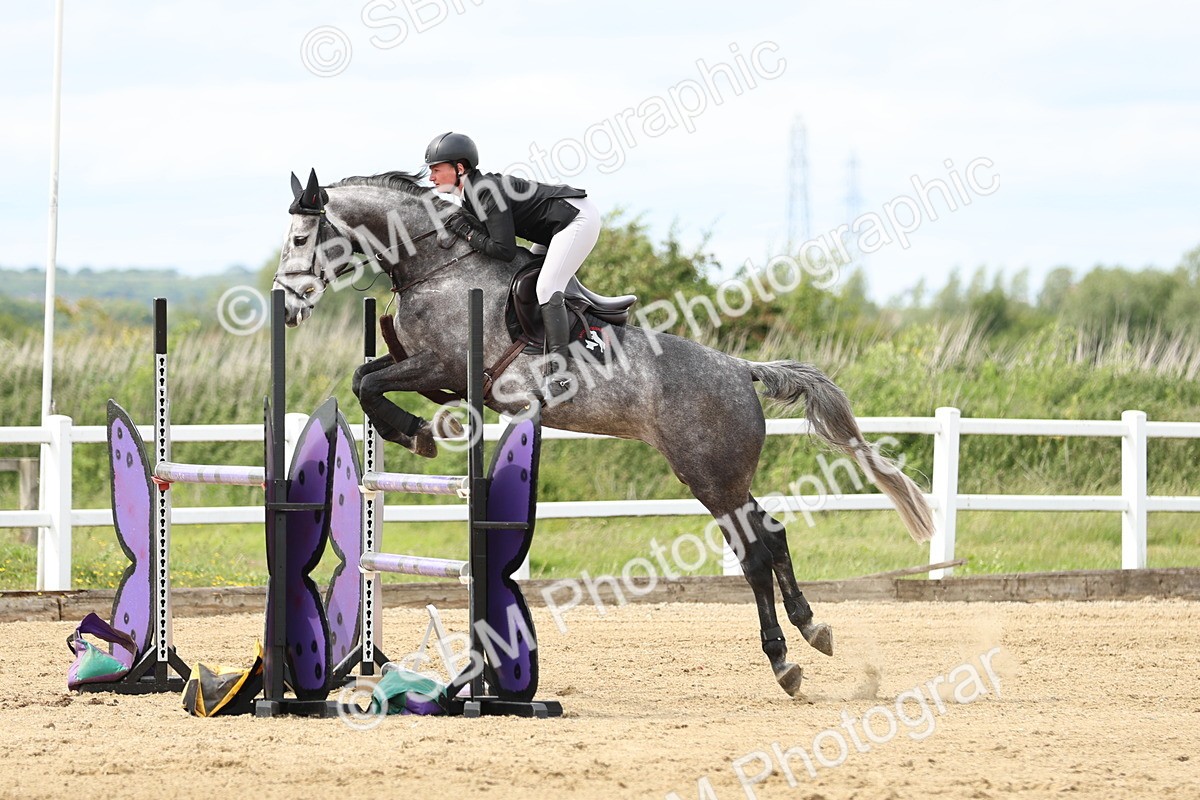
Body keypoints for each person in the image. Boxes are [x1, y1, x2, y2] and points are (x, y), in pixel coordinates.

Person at [424, 132, 601, 398]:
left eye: (436, 169)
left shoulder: (485, 192)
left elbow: (504, 250)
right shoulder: (472, 195)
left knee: (546, 288)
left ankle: (561, 377)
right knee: (521, 284)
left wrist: (467, 233)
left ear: (459, 168)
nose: (431, 177)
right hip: (552, 230)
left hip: (575, 219)